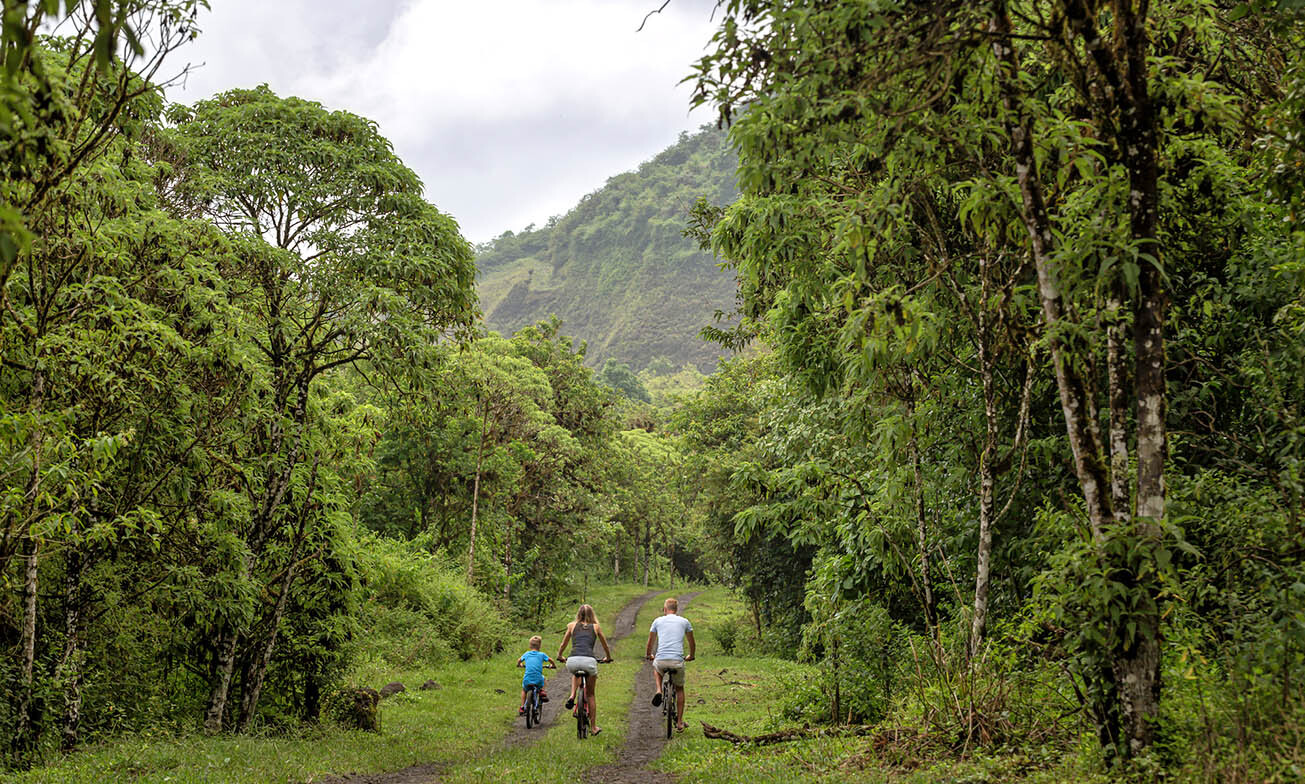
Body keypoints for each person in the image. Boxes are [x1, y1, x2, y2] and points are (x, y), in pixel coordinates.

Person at [556, 604, 612, 735]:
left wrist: (559, 656)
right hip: (589, 661)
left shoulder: (571, 626)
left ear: (578, 614)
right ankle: (593, 727)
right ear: (592, 615)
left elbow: (563, 644)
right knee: (591, 695)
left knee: (575, 673)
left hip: (572, 661)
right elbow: (605, 645)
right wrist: (608, 657)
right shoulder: (596, 627)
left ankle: (572, 695)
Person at [646, 597, 695, 732]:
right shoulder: (684, 621)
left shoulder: (658, 621)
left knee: (656, 667)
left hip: (661, 660)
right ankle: (679, 723)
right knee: (679, 689)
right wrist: (691, 655)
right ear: (676, 609)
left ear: (665, 609)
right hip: (677, 661)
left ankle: (658, 690)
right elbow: (692, 642)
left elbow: (650, 641)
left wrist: (649, 654)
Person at [516, 635, 555, 715]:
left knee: (524, 690)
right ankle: (542, 691)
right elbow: (550, 660)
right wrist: (553, 665)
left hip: (527, 679)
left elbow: (519, 660)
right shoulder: (542, 655)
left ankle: (522, 707)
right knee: (544, 678)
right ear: (540, 646)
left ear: (530, 645)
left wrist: (519, 664)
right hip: (538, 679)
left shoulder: (526, 654)